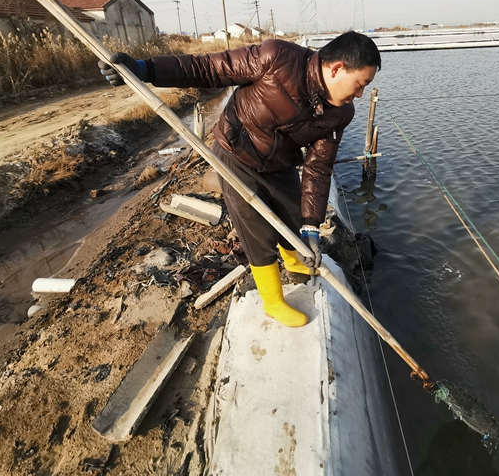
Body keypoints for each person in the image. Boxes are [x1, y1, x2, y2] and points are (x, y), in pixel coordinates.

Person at [99, 31, 380, 328]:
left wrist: (311, 228)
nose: (360, 94)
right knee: (255, 229)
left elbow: (319, 167)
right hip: (237, 152)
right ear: (337, 69)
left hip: (280, 161)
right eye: (360, 84)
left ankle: (294, 260)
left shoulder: (340, 113)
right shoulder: (277, 58)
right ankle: (272, 300)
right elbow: (207, 68)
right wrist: (145, 69)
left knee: (293, 214)